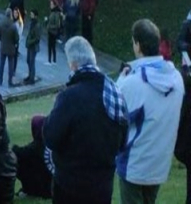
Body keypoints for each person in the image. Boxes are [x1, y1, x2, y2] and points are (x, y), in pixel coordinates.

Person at [44, 36, 127, 204]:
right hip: (102, 186)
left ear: (73, 64)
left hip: (70, 186)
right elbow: (123, 140)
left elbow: (50, 137)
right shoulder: (114, 92)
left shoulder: (69, 97)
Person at [116, 19, 184, 204]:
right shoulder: (176, 79)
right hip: (159, 163)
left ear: (137, 45)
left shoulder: (133, 82)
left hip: (134, 164)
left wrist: (121, 81)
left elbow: (116, 115)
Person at [0, 9, 19, 88]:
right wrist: (14, 43)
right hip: (11, 48)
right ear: (10, 15)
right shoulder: (13, 25)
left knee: (1, 64)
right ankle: (10, 81)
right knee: (10, 65)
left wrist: (1, 40)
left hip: (3, 47)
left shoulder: (1, 23)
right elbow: (17, 38)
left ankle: (0, 80)